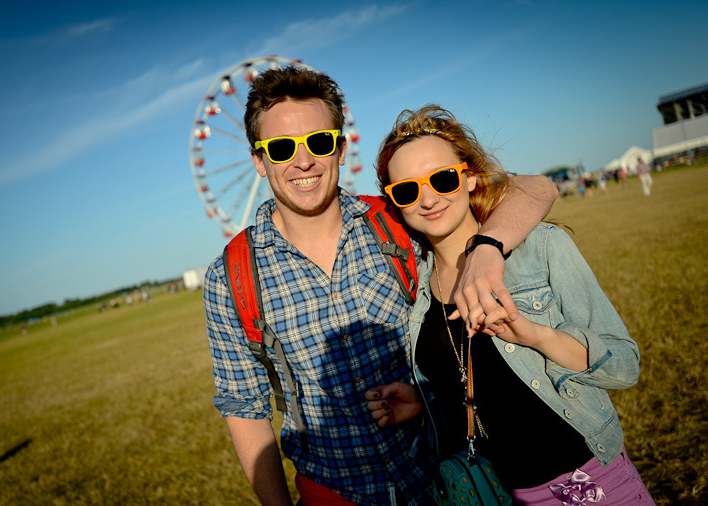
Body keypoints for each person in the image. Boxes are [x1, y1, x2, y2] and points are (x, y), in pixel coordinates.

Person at [203, 67, 558, 505]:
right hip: (335, 494)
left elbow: (535, 188)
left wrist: (486, 249)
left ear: (340, 146)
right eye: (280, 148)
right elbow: (245, 408)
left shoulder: (397, 219)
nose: (303, 162)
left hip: (444, 480)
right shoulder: (233, 276)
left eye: (319, 142)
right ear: (259, 160)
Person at [366, 105, 654, 504]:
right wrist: (427, 399)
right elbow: (477, 382)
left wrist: (536, 336)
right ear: (395, 201)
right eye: (408, 190)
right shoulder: (415, 294)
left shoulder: (542, 247)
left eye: (443, 179)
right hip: (490, 494)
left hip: (584, 485)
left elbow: (624, 366)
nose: (428, 199)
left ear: (470, 177)